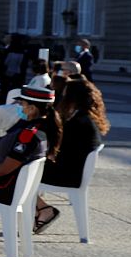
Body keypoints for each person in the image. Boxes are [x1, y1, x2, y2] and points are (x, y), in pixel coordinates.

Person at [34, 77, 107, 233]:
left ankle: (43, 209)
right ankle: (38, 210)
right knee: (24, 169)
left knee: (21, 173)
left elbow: (59, 149)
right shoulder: (86, 118)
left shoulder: (78, 122)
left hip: (68, 175)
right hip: (74, 172)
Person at [0, 86, 59, 207]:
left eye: (21, 104)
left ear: (32, 108)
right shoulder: (41, 127)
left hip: (5, 188)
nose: (18, 107)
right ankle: (42, 208)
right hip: (15, 185)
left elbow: (4, 169)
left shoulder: (28, 135)